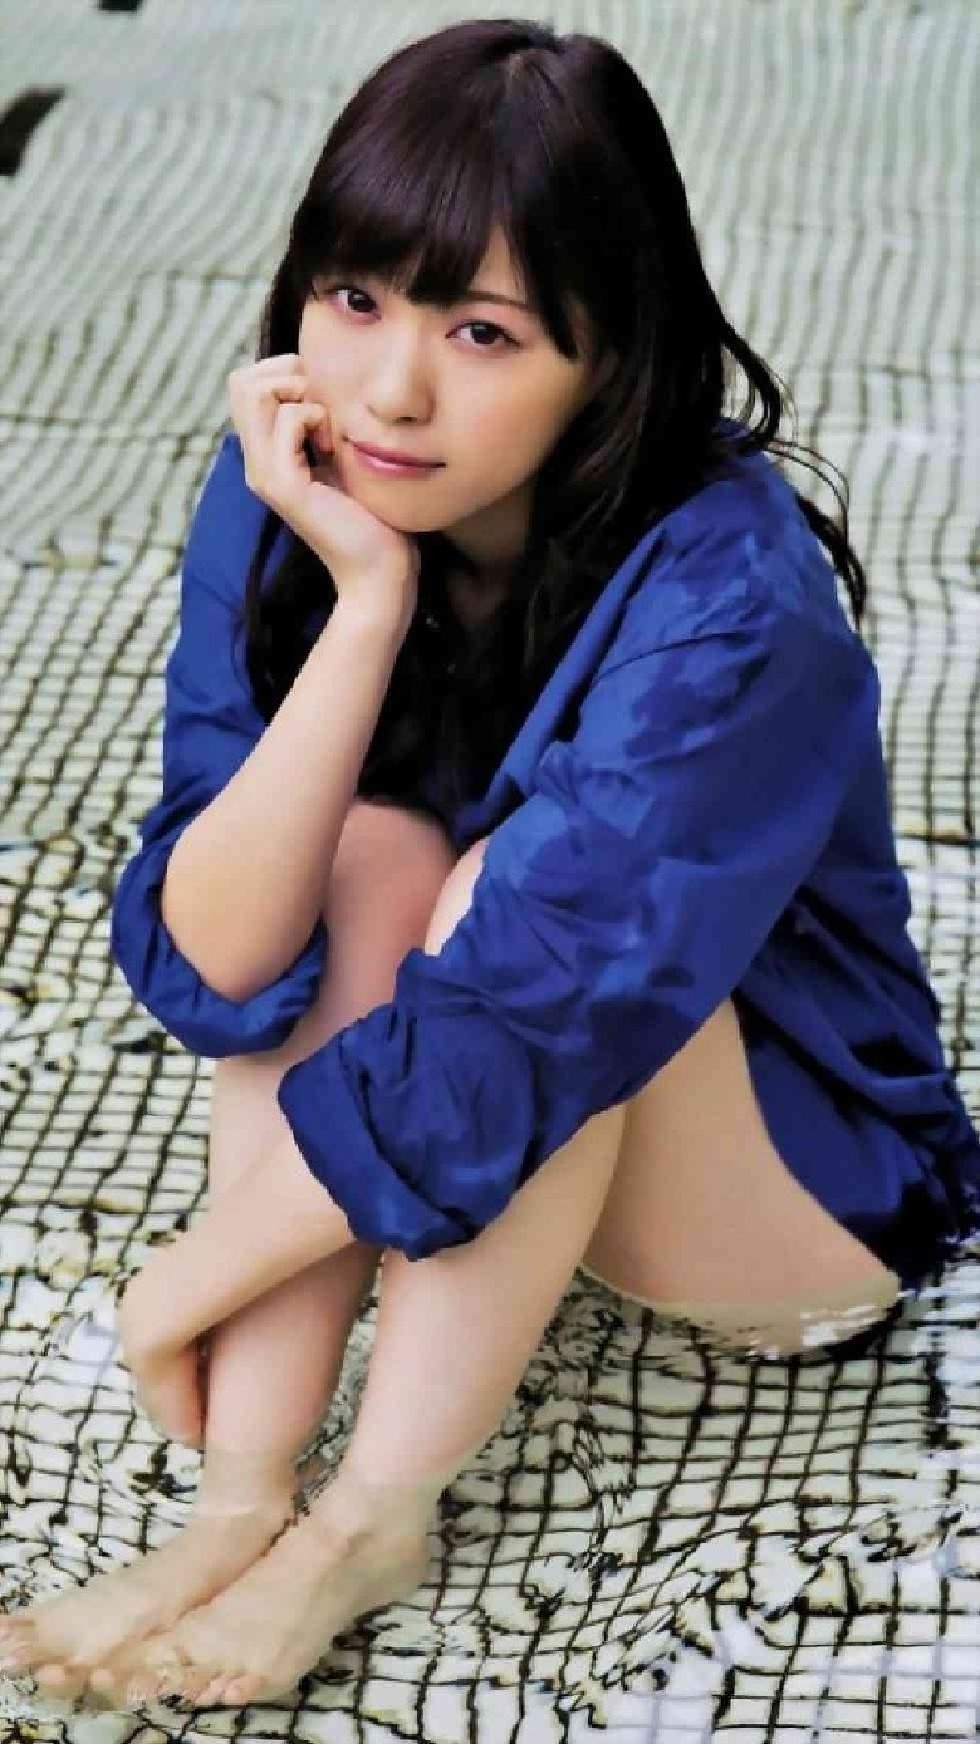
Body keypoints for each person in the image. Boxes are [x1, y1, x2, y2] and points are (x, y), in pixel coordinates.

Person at [2, 12, 978, 1714]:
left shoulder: (732, 594)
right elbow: (222, 960)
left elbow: (541, 1007)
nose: (392, 389)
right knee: (363, 847)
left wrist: (185, 1282)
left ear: (608, 355)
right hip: (507, 1120)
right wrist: (364, 603)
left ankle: (369, 1524)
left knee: (509, 911)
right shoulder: (303, 480)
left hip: (790, 1202)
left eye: (482, 331)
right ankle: (243, 1504)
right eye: (354, 298)